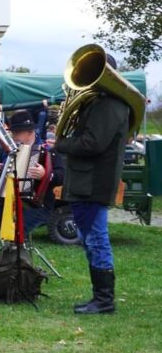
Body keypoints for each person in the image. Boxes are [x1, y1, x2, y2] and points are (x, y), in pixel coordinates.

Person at [55, 53, 128, 315]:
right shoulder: (99, 103)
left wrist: (61, 144)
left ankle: (104, 300)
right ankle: (101, 298)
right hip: (87, 181)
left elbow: (92, 143)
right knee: (91, 238)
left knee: (96, 239)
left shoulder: (110, 105)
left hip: (93, 183)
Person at [0, 110, 64, 277]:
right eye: (13, 132)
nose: (15, 136)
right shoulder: (7, 150)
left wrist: (46, 175)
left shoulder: (47, 150)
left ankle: (9, 273)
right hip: (6, 204)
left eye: (18, 133)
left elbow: (62, 176)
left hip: (35, 206)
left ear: (30, 132)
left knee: (14, 231)